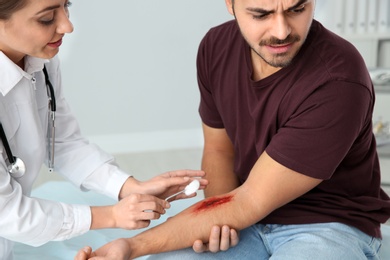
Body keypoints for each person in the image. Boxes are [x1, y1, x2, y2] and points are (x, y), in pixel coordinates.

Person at [75, 0, 390, 259]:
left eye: (297, 9)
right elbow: (219, 149)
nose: (281, 31)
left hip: (328, 224)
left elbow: (251, 200)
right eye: (261, 14)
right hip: (244, 213)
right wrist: (216, 223)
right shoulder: (216, 47)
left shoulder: (338, 80)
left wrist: (132, 245)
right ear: (230, 4)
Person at [0, 0, 240, 259]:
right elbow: (8, 213)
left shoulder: (39, 60)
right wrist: (111, 215)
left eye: (66, 5)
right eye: (47, 19)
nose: (67, 26)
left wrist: (129, 187)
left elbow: (62, 142)